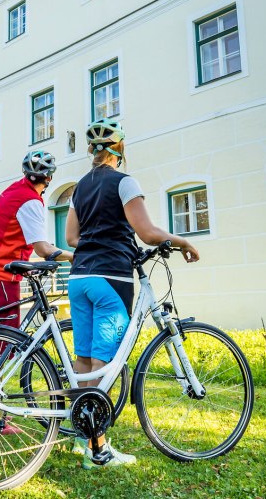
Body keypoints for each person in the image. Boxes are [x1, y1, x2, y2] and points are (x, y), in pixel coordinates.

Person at [65, 118, 200, 468]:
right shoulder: (125, 182)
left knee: (82, 361)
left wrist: (96, 243)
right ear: (119, 150)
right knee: (103, 364)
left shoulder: (78, 188)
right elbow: (147, 232)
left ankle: (83, 439)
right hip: (111, 277)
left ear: (92, 152)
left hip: (79, 277)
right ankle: (99, 451)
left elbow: (71, 239)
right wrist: (182, 241)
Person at [0, 150, 73, 434]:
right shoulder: (31, 201)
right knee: (2, 346)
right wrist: (73, 257)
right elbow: (43, 248)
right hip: (2, 276)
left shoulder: (13, 191)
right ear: (49, 178)